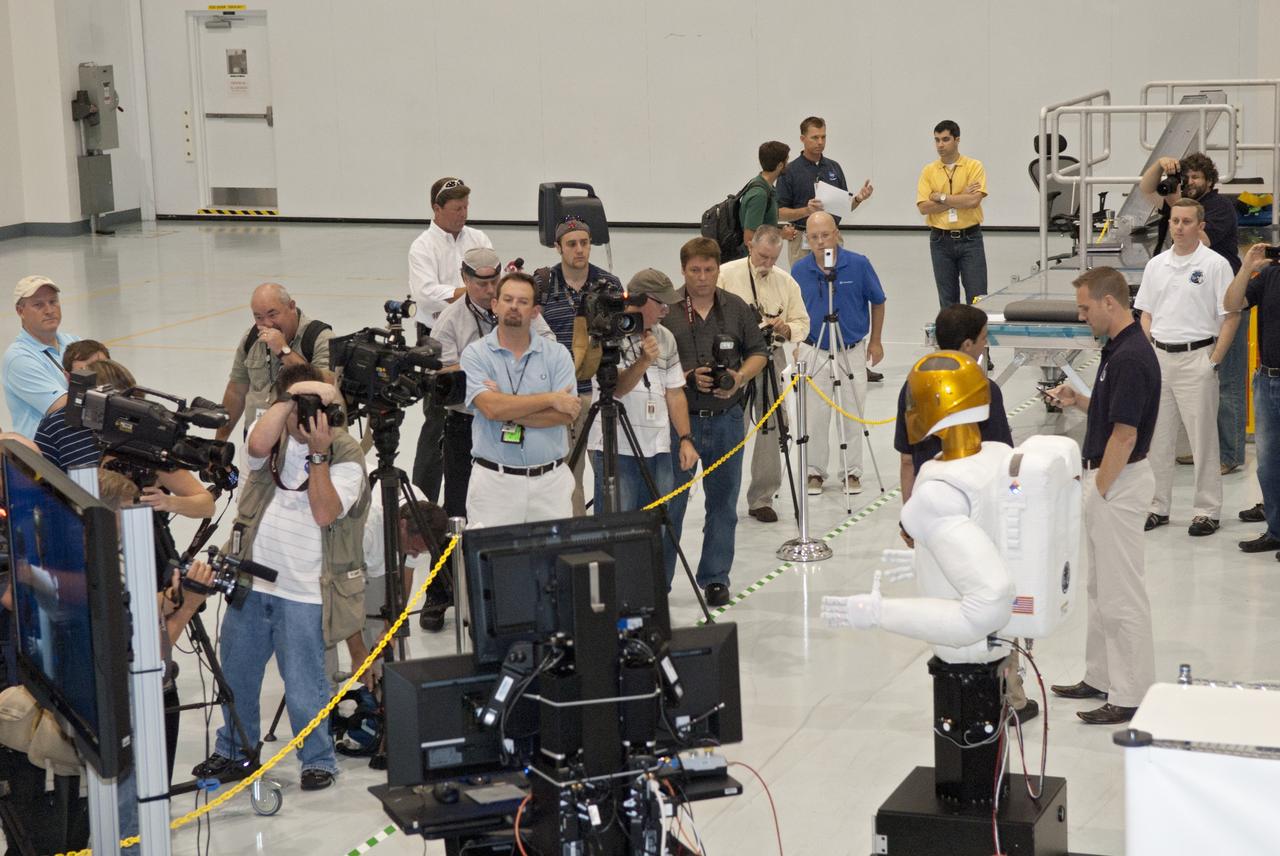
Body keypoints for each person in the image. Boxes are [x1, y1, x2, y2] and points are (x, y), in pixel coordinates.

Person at [195, 364, 369, 792]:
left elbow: (325, 512)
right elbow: (255, 444)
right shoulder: (270, 438)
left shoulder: (346, 452)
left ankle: (318, 759)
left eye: (319, 406)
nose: (310, 416)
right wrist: (290, 400)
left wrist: (319, 454)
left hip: (306, 591)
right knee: (237, 676)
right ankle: (234, 751)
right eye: (301, 406)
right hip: (251, 584)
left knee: (306, 686)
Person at [1048, 267, 1160, 725]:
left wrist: (1099, 490)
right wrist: (1078, 400)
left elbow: (1125, 435)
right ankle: (1100, 675)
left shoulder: (1131, 357)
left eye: (1085, 308)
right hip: (1112, 481)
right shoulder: (1118, 348)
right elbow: (1115, 411)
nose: (1081, 316)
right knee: (1100, 589)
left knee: (1121, 594)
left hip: (1119, 483)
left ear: (1109, 303)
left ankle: (1131, 693)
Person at [661, 238, 769, 606]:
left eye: (709, 270)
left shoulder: (736, 307)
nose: (702, 277)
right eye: (695, 270)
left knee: (723, 505)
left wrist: (739, 377)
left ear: (718, 270)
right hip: (680, 424)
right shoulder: (667, 311)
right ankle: (659, 582)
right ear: (683, 270)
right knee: (671, 504)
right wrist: (687, 377)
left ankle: (716, 578)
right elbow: (656, 365)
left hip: (727, 419)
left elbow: (759, 352)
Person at [1134, 198, 1238, 536]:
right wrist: (1150, 349)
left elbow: (1230, 316)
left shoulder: (1216, 265)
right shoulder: (1157, 265)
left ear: (1200, 226)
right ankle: (1157, 506)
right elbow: (1146, 313)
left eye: (1186, 221)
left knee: (1202, 440)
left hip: (1198, 358)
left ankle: (1207, 511)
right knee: (1157, 439)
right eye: (1175, 221)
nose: (1179, 227)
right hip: (1160, 358)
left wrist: (1214, 360)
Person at [1140, 152, 1245, 474]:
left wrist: (1178, 208)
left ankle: (1229, 455)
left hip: (1225, 301)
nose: (1190, 182)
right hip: (1194, 306)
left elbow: (1205, 242)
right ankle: (1205, 451)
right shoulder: (1179, 205)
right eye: (1186, 177)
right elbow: (1145, 188)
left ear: (1210, 181)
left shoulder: (1219, 207)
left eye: (1196, 177)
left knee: (1227, 382)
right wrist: (1160, 165)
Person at [460, 271, 579, 528]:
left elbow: (565, 414)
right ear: (495, 305)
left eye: (523, 302)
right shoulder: (475, 355)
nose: (514, 306)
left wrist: (506, 406)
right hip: (495, 484)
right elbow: (490, 409)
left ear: (535, 311)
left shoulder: (557, 354)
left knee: (555, 554)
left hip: (550, 484)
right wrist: (550, 398)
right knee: (490, 555)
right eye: (508, 299)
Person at [407, 177, 494, 502]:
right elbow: (427, 294)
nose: (463, 214)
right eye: (457, 208)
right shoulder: (422, 247)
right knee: (437, 417)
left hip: (478, 331)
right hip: (436, 338)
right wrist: (471, 290)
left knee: (478, 410)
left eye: (466, 207)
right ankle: (424, 499)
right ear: (437, 208)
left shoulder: (478, 238)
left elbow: (490, 278)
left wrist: (476, 289)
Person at [586, 268, 698, 514]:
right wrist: (644, 361)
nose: (665, 311)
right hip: (617, 447)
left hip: (659, 448)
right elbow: (615, 390)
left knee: (656, 523)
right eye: (661, 304)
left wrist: (685, 439)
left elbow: (675, 393)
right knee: (617, 525)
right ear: (641, 299)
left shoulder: (665, 337)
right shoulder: (607, 332)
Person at [717, 226, 810, 522]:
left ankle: (762, 498)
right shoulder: (726, 274)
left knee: (772, 428)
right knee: (733, 427)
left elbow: (802, 323)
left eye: (773, 259)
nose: (767, 263)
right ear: (750, 247)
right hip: (735, 360)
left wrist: (786, 328)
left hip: (772, 356)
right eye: (762, 256)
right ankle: (723, 497)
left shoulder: (786, 282)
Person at [792, 212, 886, 496]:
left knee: (852, 412)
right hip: (814, 348)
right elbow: (793, 309)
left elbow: (878, 301)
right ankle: (814, 472)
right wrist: (797, 342)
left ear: (836, 234)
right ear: (807, 240)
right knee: (815, 416)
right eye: (814, 237)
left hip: (850, 349)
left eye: (825, 235)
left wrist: (876, 341)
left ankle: (851, 471)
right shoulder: (799, 270)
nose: (820, 242)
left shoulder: (858, 264)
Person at [535, 219, 622, 515]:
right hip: (561, 392)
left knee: (608, 470)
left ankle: (609, 528)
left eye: (584, 243)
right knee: (569, 473)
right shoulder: (543, 285)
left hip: (600, 390)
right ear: (558, 247)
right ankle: (576, 529)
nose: (580, 249)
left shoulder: (609, 284)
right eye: (572, 244)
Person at [895, 305, 1012, 504]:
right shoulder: (984, 389)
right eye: (983, 338)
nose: (985, 344)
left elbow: (907, 460)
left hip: (927, 498)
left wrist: (909, 512)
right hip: (971, 500)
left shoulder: (912, 386)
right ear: (967, 344)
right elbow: (1002, 456)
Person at [215, 283, 333, 444]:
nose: (267, 324)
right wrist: (220, 441)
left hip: (301, 441)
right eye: (259, 317)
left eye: (273, 314)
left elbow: (326, 386)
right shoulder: (251, 338)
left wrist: (283, 351)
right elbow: (236, 391)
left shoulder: (320, 338)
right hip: (257, 438)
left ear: (291, 306)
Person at [1224, 243, 1280, 554]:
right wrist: (1246, 267)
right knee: (1268, 465)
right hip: (1268, 379)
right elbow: (1232, 303)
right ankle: (1276, 530)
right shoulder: (1270, 274)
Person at [776, 116, 873, 269]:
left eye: (823, 137)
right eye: (815, 137)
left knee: (832, 276)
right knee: (804, 280)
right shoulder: (790, 171)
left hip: (830, 238)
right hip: (802, 239)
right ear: (802, 139)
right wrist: (807, 210)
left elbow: (844, 207)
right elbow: (780, 212)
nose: (820, 142)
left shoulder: (834, 167)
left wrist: (858, 199)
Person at [916, 120, 988, 308]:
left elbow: (973, 201)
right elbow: (924, 207)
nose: (940, 145)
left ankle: (976, 329)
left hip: (970, 238)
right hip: (940, 240)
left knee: (978, 298)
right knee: (948, 301)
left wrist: (940, 197)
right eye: (937, 140)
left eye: (945, 139)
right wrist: (961, 196)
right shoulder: (929, 171)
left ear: (957, 140)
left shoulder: (974, 166)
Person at [3, 276, 80, 439]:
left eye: (53, 302)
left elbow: (110, 383)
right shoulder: (18, 358)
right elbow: (64, 408)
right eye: (38, 305)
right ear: (20, 311)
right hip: (44, 451)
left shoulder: (74, 342)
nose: (49, 310)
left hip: (79, 439)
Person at [33, 341, 111, 472]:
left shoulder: (133, 416)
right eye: (84, 373)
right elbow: (41, 478)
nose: (96, 380)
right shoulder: (53, 427)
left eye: (101, 369)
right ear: (68, 377)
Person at [737, 141, 797, 255]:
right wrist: (781, 234)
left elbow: (762, 228)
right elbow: (750, 237)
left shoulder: (765, 187)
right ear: (780, 165)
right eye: (786, 161)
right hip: (755, 259)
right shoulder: (759, 194)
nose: (788, 165)